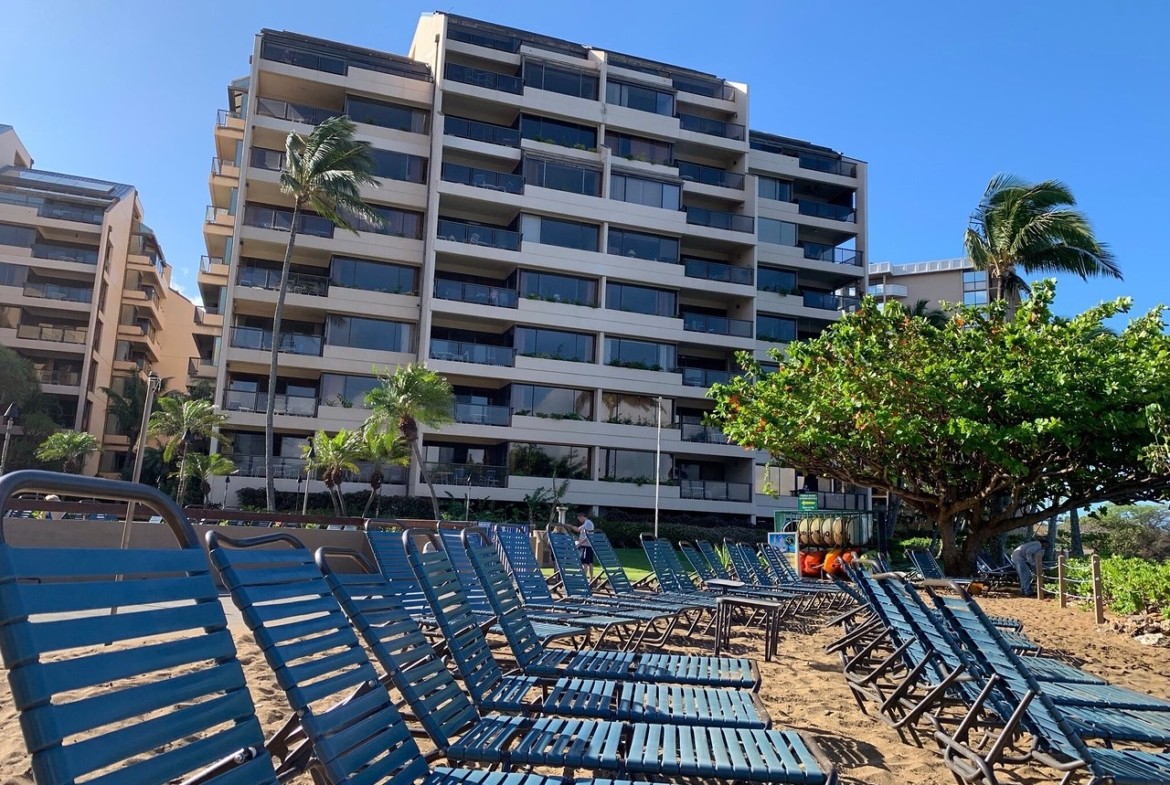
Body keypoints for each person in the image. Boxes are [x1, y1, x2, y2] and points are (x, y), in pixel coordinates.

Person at [566, 511, 596, 580]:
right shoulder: (586, 523)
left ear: (582, 517)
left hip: (586, 545)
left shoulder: (588, 523)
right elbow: (578, 529)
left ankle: (584, 578)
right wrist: (570, 526)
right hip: (588, 545)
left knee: (584, 562)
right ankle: (591, 578)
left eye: (579, 519)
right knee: (590, 562)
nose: (579, 520)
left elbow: (588, 535)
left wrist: (580, 543)